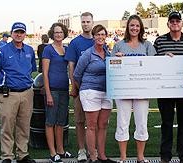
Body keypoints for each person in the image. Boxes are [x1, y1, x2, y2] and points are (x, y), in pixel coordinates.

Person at [153, 11, 183, 163]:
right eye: (172, 21)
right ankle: (165, 155)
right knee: (166, 122)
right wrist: (163, 58)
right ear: (168, 24)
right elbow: (152, 62)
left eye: (177, 21)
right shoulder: (160, 41)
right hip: (165, 88)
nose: (175, 23)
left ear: (182, 23)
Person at [111, 15, 156, 163]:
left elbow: (155, 66)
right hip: (123, 90)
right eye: (132, 25)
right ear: (127, 27)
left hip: (142, 90)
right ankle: (123, 157)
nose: (134, 28)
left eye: (137, 26)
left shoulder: (148, 45)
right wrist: (117, 59)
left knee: (142, 123)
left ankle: (140, 157)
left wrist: (166, 59)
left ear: (141, 28)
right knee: (122, 122)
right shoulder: (119, 45)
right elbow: (112, 67)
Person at [0, 22, 37, 163]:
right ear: (11, 33)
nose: (19, 34)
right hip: (8, 94)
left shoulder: (29, 50)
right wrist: (3, 84)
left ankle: (22, 154)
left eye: (21, 32)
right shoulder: (2, 51)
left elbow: (31, 69)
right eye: (16, 32)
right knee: (7, 126)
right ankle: (7, 156)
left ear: (24, 34)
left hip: (27, 93)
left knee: (24, 125)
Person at [74, 24, 116, 163]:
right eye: (97, 34)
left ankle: (102, 156)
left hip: (106, 92)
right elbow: (77, 74)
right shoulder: (87, 53)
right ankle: (93, 157)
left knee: (103, 125)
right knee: (91, 125)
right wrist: (85, 89)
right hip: (90, 91)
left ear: (106, 36)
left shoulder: (108, 53)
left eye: (103, 34)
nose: (100, 37)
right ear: (93, 36)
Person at [64, 11, 94, 162]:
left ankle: (92, 149)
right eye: (83, 22)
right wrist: (74, 86)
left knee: (93, 122)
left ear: (92, 22)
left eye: (88, 22)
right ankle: (82, 149)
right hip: (80, 88)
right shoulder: (75, 43)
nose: (86, 24)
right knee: (80, 121)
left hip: (96, 89)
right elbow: (71, 66)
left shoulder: (98, 40)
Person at [42, 22, 73, 163]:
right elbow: (45, 73)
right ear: (52, 34)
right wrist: (48, 93)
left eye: (60, 32)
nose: (58, 34)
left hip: (64, 90)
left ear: (64, 33)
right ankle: (52, 152)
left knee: (60, 122)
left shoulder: (67, 49)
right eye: (56, 32)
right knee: (50, 122)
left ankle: (60, 150)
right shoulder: (48, 50)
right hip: (53, 90)